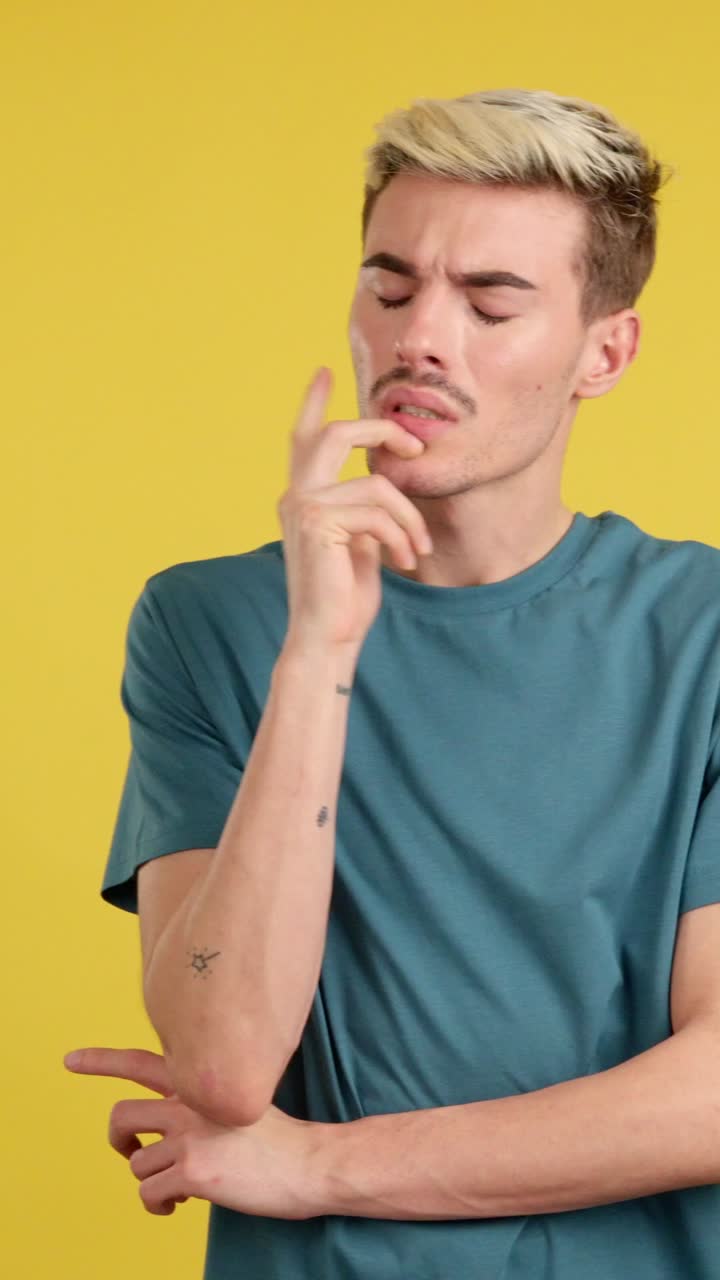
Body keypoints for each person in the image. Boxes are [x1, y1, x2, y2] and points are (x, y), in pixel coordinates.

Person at [94, 88, 720, 1276]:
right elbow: (223, 1061)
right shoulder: (208, 625)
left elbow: (714, 1093)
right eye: (391, 286)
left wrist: (316, 1164)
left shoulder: (702, 633)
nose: (423, 336)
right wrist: (319, 649)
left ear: (605, 351)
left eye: (491, 302)